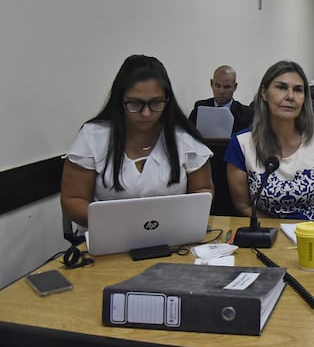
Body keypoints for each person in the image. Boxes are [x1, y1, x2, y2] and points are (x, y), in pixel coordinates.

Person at [61, 55, 214, 228]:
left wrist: (183, 218)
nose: (147, 113)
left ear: (167, 101)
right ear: (120, 100)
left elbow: (202, 191)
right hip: (110, 237)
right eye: (135, 104)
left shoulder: (184, 139)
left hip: (171, 237)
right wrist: (125, 225)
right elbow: (73, 200)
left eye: (156, 103)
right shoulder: (93, 137)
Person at [225, 61, 314, 220]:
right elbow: (243, 205)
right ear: (264, 93)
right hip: (268, 233)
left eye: (298, 90)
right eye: (281, 87)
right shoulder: (242, 144)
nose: (290, 96)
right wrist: (277, 231)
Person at [188, 65, 254, 134]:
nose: (221, 91)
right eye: (218, 86)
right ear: (211, 83)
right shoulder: (199, 109)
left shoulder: (247, 114)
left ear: (235, 87)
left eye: (227, 87)